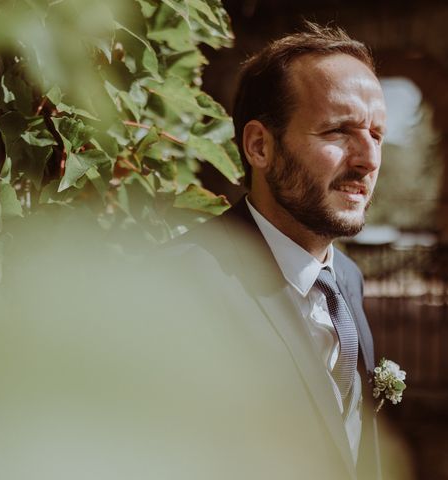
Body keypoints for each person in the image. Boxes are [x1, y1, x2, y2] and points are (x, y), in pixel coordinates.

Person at [161, 22, 387, 479]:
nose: (369, 158)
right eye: (339, 130)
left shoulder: (346, 278)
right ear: (260, 146)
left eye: (377, 134)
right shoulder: (176, 286)